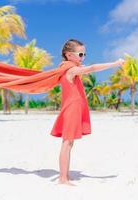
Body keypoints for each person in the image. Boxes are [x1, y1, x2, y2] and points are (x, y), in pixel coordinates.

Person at [50, 39, 125, 186]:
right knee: (67, 143)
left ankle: (65, 175)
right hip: (71, 108)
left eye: (84, 54)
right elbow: (93, 68)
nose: (83, 57)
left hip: (74, 108)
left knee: (69, 143)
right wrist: (115, 64)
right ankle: (63, 178)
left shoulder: (68, 68)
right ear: (69, 55)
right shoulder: (71, 70)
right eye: (80, 54)